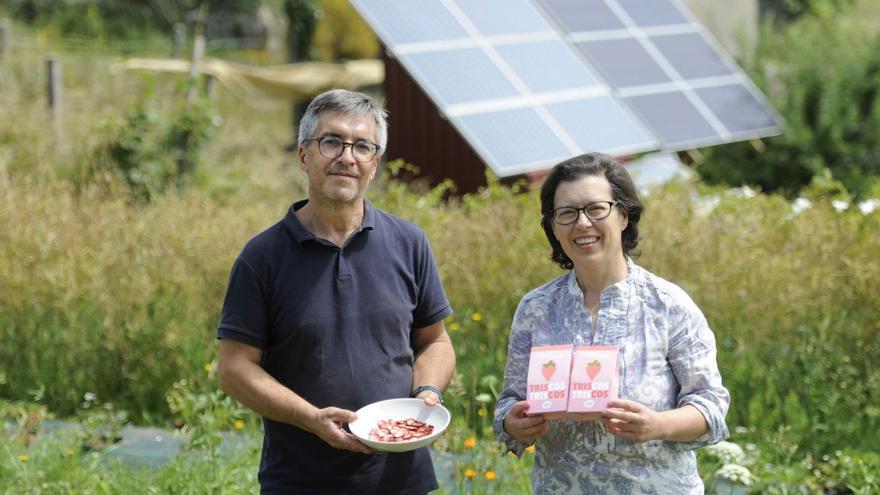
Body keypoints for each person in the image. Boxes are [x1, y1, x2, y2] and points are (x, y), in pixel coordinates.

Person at [217, 89, 455, 494]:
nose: (347, 157)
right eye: (332, 142)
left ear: (374, 163)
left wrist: (427, 393)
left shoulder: (409, 242)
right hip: (301, 479)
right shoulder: (262, 257)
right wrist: (311, 418)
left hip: (401, 477)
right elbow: (234, 369)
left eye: (362, 146)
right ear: (304, 155)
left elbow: (435, 341)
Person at [493, 153, 730, 494]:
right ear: (553, 226)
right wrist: (514, 424)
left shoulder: (669, 304)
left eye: (596, 209)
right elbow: (509, 403)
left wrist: (657, 425)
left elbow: (710, 406)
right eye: (567, 213)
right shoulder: (535, 309)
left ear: (624, 215)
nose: (582, 223)